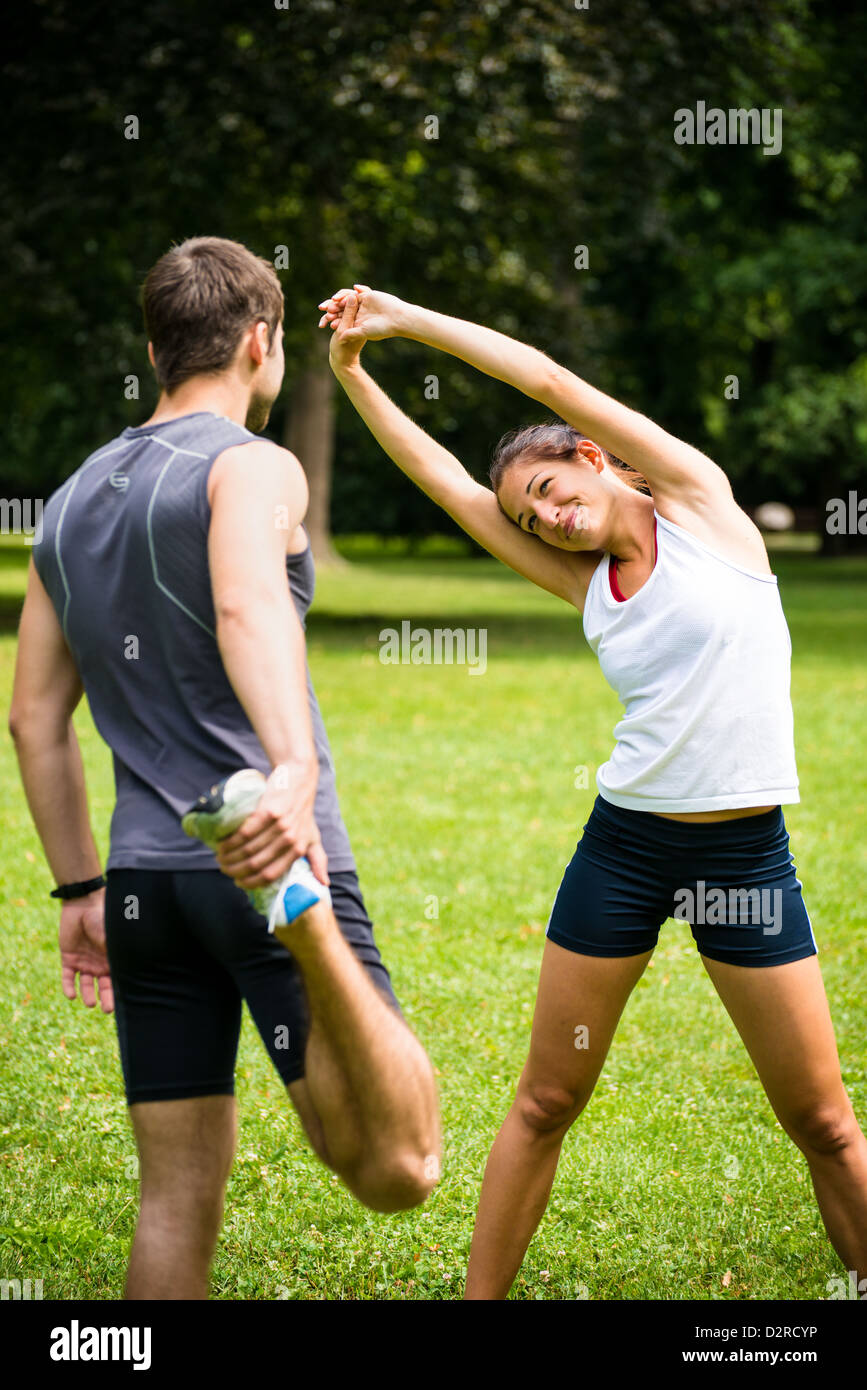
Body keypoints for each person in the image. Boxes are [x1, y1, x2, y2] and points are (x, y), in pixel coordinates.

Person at [318, 283, 867, 1300]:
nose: (549, 517)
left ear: (593, 457)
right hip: (624, 851)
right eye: (532, 515)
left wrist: (404, 321)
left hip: (746, 858)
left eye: (553, 487)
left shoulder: (701, 503)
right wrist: (353, 374)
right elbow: (447, 485)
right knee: (546, 1097)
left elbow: (547, 377)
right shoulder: (585, 583)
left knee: (825, 1121)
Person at [9, 240, 439, 1302]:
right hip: (265, 851)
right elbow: (247, 602)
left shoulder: (64, 502)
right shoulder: (252, 464)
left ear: (155, 348)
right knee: (400, 1165)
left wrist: (77, 890)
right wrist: (291, 770)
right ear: (261, 341)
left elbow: (33, 718)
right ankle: (299, 914)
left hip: (147, 887)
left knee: (172, 1202)